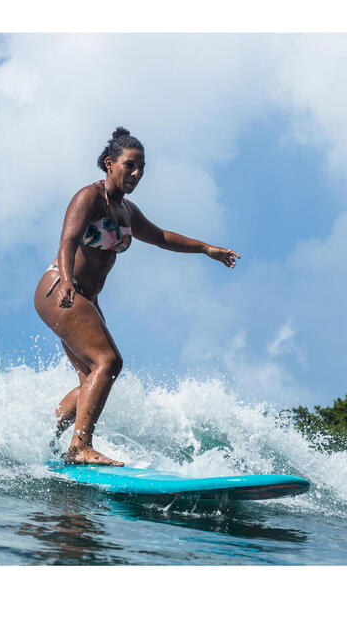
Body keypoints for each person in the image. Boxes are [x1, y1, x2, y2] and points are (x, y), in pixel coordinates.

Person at [34, 127, 240, 466]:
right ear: (109, 163)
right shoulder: (88, 197)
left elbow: (160, 236)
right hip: (60, 288)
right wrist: (69, 282)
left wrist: (206, 249)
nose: (137, 173)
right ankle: (80, 446)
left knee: (92, 380)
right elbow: (68, 241)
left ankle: (43, 435)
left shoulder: (127, 212)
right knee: (109, 362)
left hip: (86, 299)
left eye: (142, 167)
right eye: (130, 165)